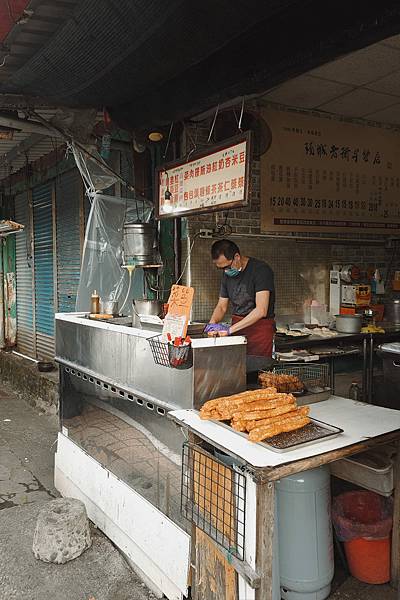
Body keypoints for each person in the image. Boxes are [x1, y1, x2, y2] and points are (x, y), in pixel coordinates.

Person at [204, 239, 275, 357]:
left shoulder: (261, 270)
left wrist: (230, 330)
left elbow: (261, 310)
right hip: (238, 327)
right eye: (221, 268)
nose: (225, 271)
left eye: (226, 266)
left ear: (237, 257)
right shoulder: (227, 274)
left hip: (259, 329)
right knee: (238, 368)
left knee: (259, 370)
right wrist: (212, 324)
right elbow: (221, 306)